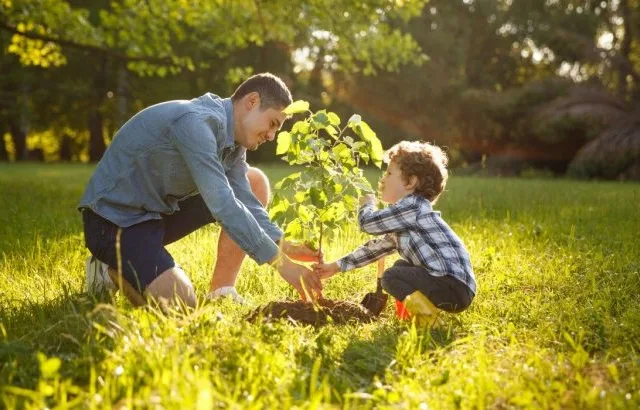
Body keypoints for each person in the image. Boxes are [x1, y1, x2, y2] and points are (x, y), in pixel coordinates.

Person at [79, 73, 323, 309]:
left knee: (254, 181)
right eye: (272, 124)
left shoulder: (234, 144)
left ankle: (222, 291)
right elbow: (224, 204)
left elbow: (246, 201)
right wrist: (282, 265)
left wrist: (284, 245)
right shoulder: (196, 123)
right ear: (252, 101)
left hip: (154, 215)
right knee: (181, 304)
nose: (271, 136)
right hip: (113, 222)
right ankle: (110, 268)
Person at [313, 141, 476, 325]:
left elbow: (367, 223)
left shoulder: (412, 206)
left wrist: (367, 204)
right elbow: (376, 249)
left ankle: (429, 321)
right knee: (400, 266)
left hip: (452, 285)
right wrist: (335, 266)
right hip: (456, 286)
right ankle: (411, 317)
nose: (383, 179)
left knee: (391, 277)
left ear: (411, 182)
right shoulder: (407, 216)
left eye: (389, 173)